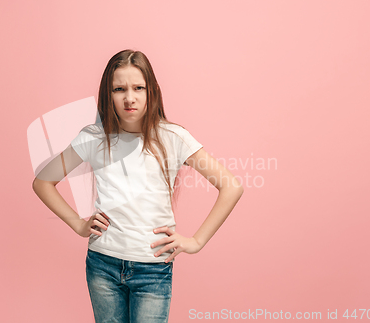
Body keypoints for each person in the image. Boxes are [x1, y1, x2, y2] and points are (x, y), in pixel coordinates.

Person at [32, 49, 244, 323]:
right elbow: (43, 182)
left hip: (154, 270)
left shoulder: (173, 137)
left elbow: (232, 186)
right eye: (119, 89)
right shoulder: (93, 138)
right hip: (102, 265)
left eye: (138, 88)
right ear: (107, 94)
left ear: (152, 91)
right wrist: (79, 224)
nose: (129, 97)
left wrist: (196, 242)